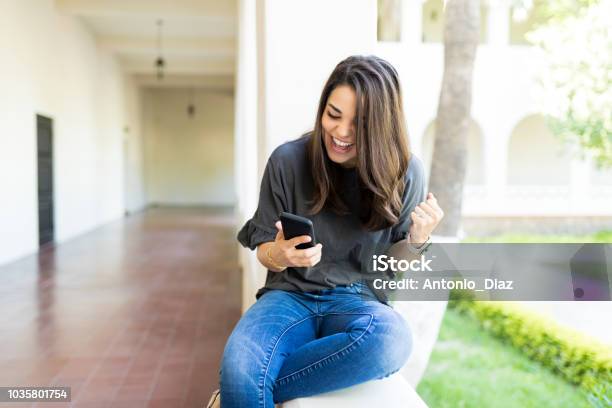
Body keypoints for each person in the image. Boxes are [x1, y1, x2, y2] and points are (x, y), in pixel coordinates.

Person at [212, 55, 444, 408]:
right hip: (288, 294)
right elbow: (262, 248)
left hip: (358, 301)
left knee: (392, 340)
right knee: (239, 360)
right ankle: (239, 385)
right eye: (333, 115)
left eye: (359, 123)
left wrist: (417, 241)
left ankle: (237, 392)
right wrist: (280, 253)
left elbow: (391, 272)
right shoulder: (287, 161)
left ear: (382, 125)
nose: (341, 132)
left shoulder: (406, 171)